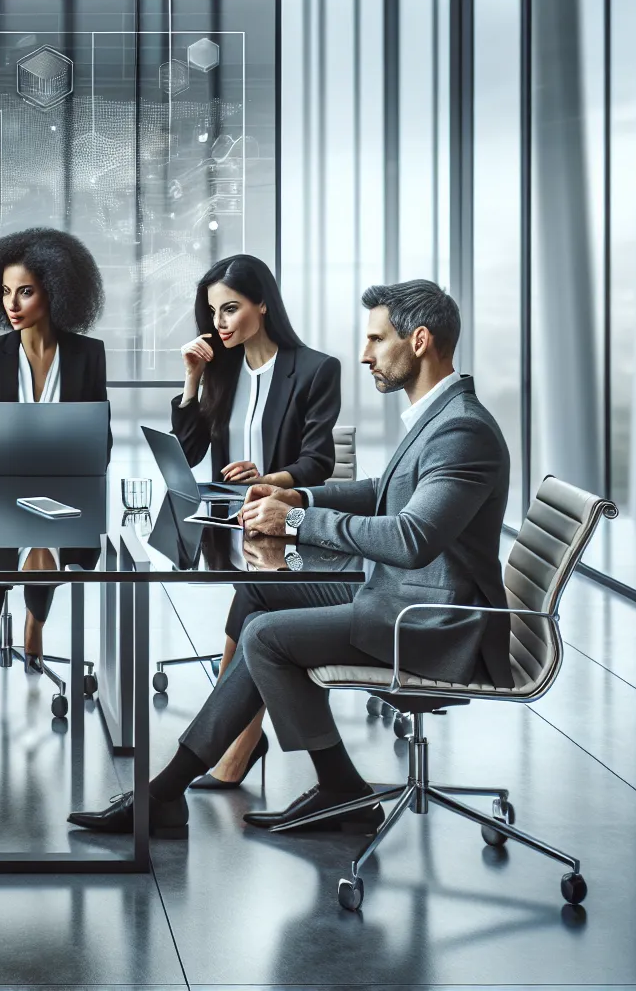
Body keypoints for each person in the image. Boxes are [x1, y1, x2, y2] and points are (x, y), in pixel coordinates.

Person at [68, 279, 511, 837]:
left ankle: (275, 789)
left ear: (419, 341)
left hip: (432, 623)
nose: (364, 353)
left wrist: (296, 523)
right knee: (258, 592)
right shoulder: (438, 414)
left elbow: (411, 538)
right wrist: (296, 495)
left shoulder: (461, 429)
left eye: (376, 340)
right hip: (401, 596)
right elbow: (382, 490)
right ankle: (191, 789)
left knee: (265, 636)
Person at [169, 254, 342, 790]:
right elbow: (188, 451)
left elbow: (319, 462)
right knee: (249, 599)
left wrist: (268, 478)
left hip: (285, 524)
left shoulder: (314, 369)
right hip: (230, 519)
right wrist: (192, 380)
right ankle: (234, 736)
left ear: (262, 304)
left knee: (252, 600)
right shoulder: (222, 368)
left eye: (231, 308)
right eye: (213, 311)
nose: (219, 322)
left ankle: (236, 740)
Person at [0, 227, 107, 730]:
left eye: (25, 291)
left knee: (48, 525)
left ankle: (35, 620)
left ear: (56, 291)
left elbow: (100, 442)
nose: (12, 304)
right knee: (3, 535)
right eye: (4, 291)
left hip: (64, 486)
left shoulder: (88, 356)